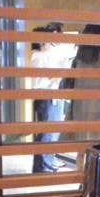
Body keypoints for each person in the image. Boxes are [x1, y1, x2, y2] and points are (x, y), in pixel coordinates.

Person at [30, 26, 63, 173]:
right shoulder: (37, 56)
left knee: (48, 132)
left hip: (49, 96)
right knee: (44, 133)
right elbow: (38, 80)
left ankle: (46, 163)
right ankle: (41, 165)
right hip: (43, 96)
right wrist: (53, 78)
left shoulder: (46, 55)